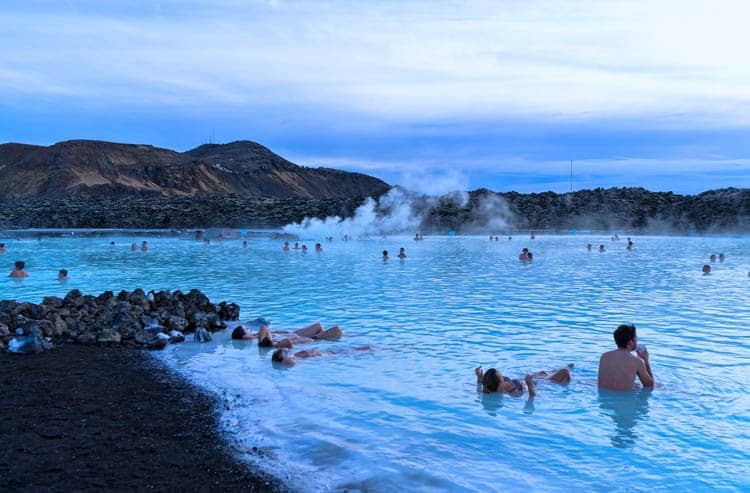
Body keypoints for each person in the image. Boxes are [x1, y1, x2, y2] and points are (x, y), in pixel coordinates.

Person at [598, 324, 654, 391]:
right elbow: (649, 385)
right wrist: (646, 360)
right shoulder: (636, 361)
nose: (637, 341)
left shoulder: (604, 356)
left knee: (636, 386)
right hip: (624, 399)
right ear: (630, 342)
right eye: (636, 338)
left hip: (604, 399)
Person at [475, 365, 572, 397]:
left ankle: (556, 372)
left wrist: (479, 378)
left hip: (532, 378)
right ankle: (571, 383)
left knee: (543, 372)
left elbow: (484, 387)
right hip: (542, 384)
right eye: (500, 375)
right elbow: (532, 398)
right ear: (499, 382)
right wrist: (530, 385)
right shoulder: (513, 392)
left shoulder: (493, 384)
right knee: (565, 371)